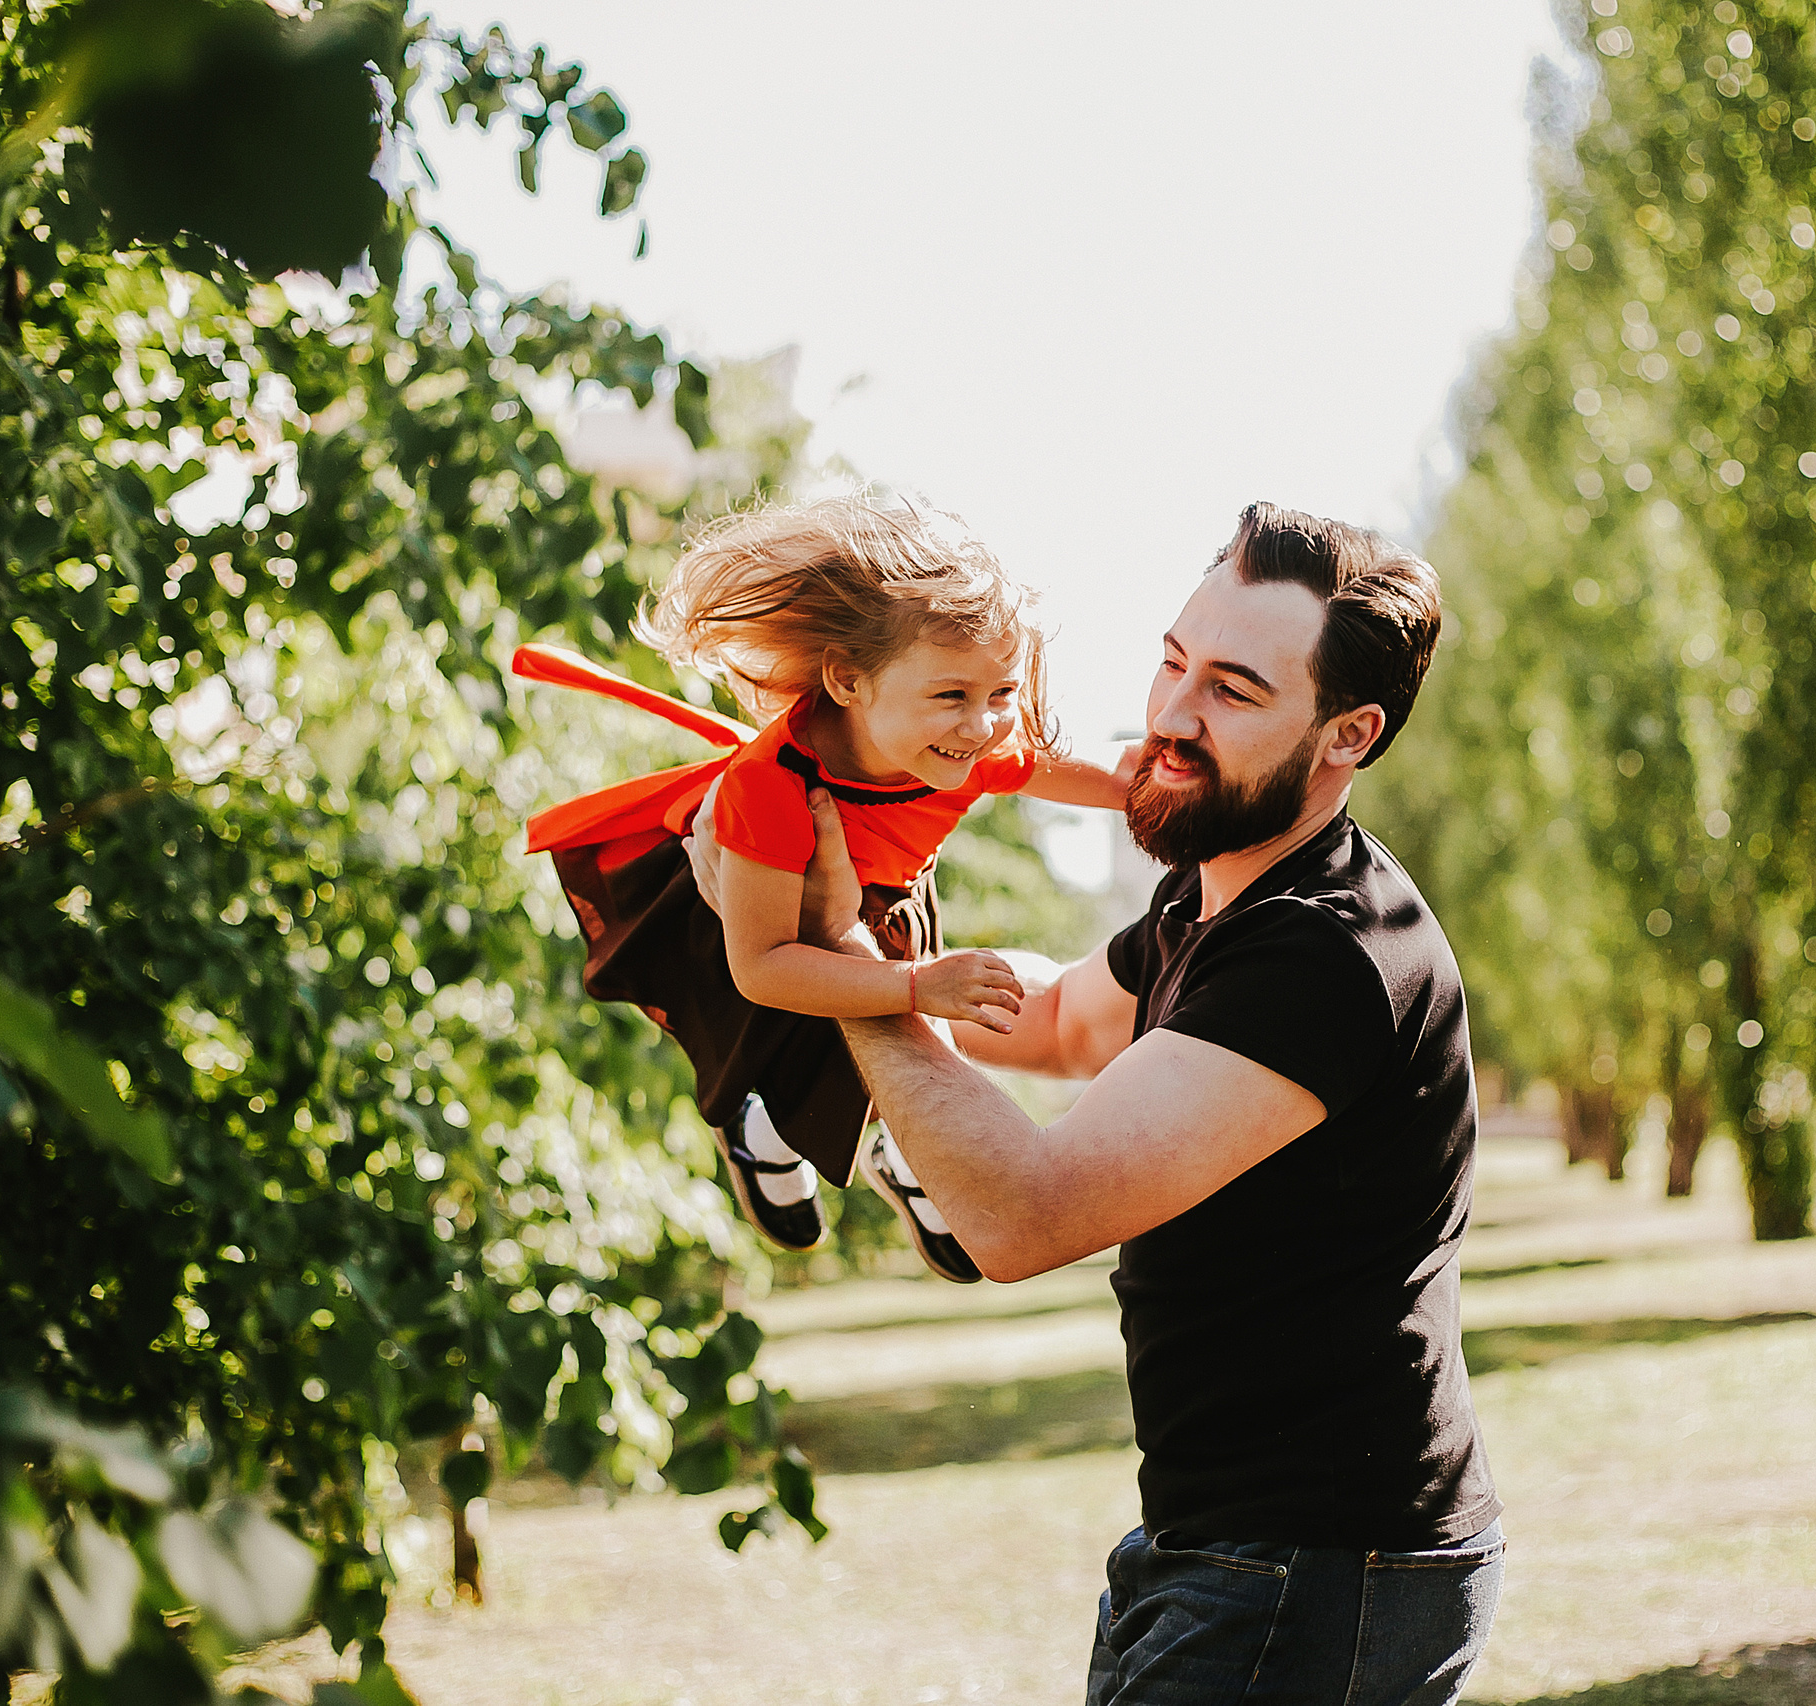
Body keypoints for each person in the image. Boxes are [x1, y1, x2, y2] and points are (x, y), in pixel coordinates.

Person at [692, 502, 1503, 1705]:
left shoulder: (1323, 955)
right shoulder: (1214, 901)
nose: (1170, 714)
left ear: (1349, 733)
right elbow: (1061, 1019)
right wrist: (881, 945)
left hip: (1321, 1560)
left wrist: (843, 957)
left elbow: (1020, 1215)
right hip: (1225, 1538)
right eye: (1173, 662)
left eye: (1231, 689)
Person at [523, 494, 1127, 1280]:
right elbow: (764, 967)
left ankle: (901, 1153)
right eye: (952, 695)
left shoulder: (969, 748)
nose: (982, 726)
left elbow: (1109, 778)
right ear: (848, 680)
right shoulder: (772, 789)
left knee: (908, 1049)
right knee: (817, 1049)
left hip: (886, 908)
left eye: (1002, 694)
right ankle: (761, 1131)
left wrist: (1183, 783)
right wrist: (916, 985)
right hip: (752, 922)